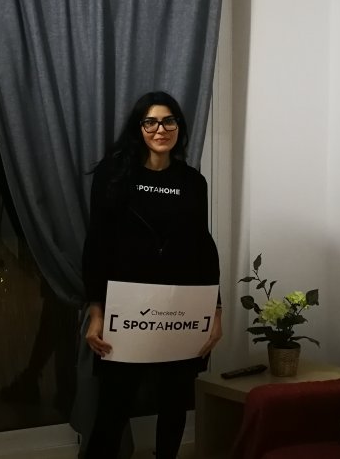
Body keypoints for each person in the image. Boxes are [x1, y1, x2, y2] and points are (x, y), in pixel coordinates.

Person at [82, 91, 223, 459]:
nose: (161, 129)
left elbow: (203, 247)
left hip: (181, 307)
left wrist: (215, 311)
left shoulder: (193, 182)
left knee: (175, 405)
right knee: (113, 408)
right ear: (139, 128)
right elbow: (96, 245)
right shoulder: (114, 175)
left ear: (179, 127)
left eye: (168, 121)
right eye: (151, 122)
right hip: (126, 308)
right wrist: (96, 311)